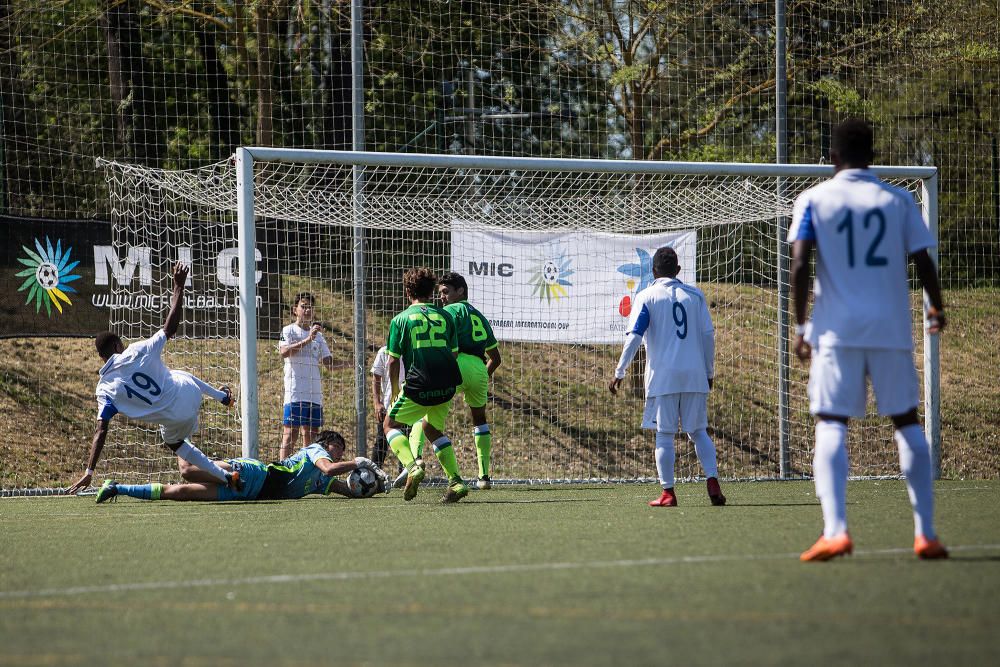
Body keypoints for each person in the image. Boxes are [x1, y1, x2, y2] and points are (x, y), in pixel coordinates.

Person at [789, 118, 948, 561]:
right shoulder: (898, 200)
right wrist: (936, 306)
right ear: (873, 156)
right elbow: (923, 259)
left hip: (836, 331)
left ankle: (836, 529)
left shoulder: (814, 198)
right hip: (891, 327)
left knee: (832, 421)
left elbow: (800, 265)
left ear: (832, 159)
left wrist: (800, 327)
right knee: (906, 421)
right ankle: (926, 533)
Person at [67, 262, 240, 495]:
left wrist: (89, 471)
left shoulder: (104, 390)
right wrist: (178, 287)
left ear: (101, 357)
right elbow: (170, 327)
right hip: (190, 394)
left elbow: (101, 430)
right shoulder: (137, 350)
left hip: (177, 421)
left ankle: (226, 477)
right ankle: (223, 397)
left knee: (175, 443)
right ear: (119, 344)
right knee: (179, 374)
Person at [608, 246, 726, 508]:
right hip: (695, 374)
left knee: (664, 435)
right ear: (679, 271)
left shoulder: (647, 296)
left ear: (653, 272)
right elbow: (708, 336)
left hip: (664, 377)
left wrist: (620, 371)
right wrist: (708, 372)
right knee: (698, 432)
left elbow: (635, 336)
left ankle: (668, 493)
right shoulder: (695, 296)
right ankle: (713, 480)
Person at [94, 430, 389, 502]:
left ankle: (116, 487)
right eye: (340, 448)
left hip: (247, 494)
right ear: (328, 443)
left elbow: (348, 489)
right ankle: (176, 432)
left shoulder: (322, 484)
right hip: (251, 472)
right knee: (186, 470)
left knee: (180, 492)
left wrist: (374, 486)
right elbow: (328, 468)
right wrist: (360, 461)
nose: (341, 454)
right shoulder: (316, 450)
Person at [382, 267, 467, 503]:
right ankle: (457, 482)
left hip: (419, 385)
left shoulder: (400, 320)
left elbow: (391, 361)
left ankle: (412, 466)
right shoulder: (446, 316)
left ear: (407, 291)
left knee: (389, 425)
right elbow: (454, 353)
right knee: (431, 429)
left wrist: (396, 392)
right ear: (431, 291)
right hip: (448, 384)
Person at [433, 271, 502, 489]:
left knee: (428, 418)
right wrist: (481, 374)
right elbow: (496, 358)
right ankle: (484, 477)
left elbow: (442, 343)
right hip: (480, 369)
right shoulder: (480, 316)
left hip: (456, 364)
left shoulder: (449, 312)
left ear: (460, 291)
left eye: (446, 292)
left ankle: (415, 463)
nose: (442, 297)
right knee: (479, 419)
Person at [278, 292, 334, 460]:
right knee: (290, 434)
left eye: (310, 307)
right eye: (304, 306)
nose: (308, 310)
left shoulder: (319, 336)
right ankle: (282, 470)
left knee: (311, 436)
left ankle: (306, 472)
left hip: (314, 395)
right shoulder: (288, 330)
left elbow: (329, 363)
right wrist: (308, 340)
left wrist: (353, 362)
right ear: (295, 310)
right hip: (295, 393)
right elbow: (284, 352)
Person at [370, 344, 406, 468]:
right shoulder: (384, 351)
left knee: (408, 442)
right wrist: (377, 403)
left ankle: (406, 475)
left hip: (409, 406)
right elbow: (376, 377)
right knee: (381, 443)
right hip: (388, 407)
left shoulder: (413, 351)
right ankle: (373, 474)